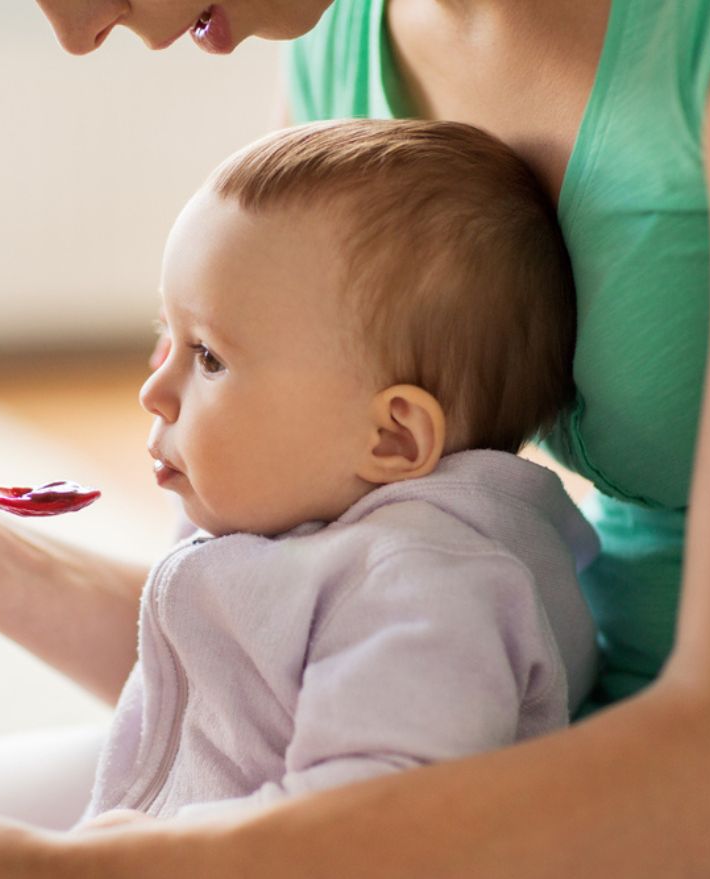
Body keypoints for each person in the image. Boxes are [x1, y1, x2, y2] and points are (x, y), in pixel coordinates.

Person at [0, 0, 710, 875]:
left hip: (703, 797)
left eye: (201, 358)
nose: (77, 28)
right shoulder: (347, 47)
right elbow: (290, 633)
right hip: (555, 745)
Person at [80, 118, 596, 825]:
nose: (154, 391)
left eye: (208, 358)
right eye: (163, 337)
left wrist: (145, 854)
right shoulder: (278, 504)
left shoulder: (430, 594)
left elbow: (365, 827)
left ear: (391, 436)